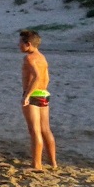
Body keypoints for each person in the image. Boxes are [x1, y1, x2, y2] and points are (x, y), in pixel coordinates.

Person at [19, 30, 57, 170]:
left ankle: (37, 164)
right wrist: (43, 90)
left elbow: (37, 77)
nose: (18, 45)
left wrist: (27, 95)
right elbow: (46, 77)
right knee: (46, 129)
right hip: (44, 93)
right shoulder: (42, 57)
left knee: (35, 130)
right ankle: (53, 162)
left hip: (33, 94)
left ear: (28, 44)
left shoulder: (29, 58)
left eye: (20, 43)